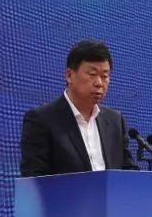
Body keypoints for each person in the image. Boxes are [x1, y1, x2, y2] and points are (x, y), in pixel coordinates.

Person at [20, 40, 139, 176]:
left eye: (104, 76)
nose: (99, 83)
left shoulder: (115, 121)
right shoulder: (41, 120)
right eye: (92, 74)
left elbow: (129, 174)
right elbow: (34, 178)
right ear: (69, 75)